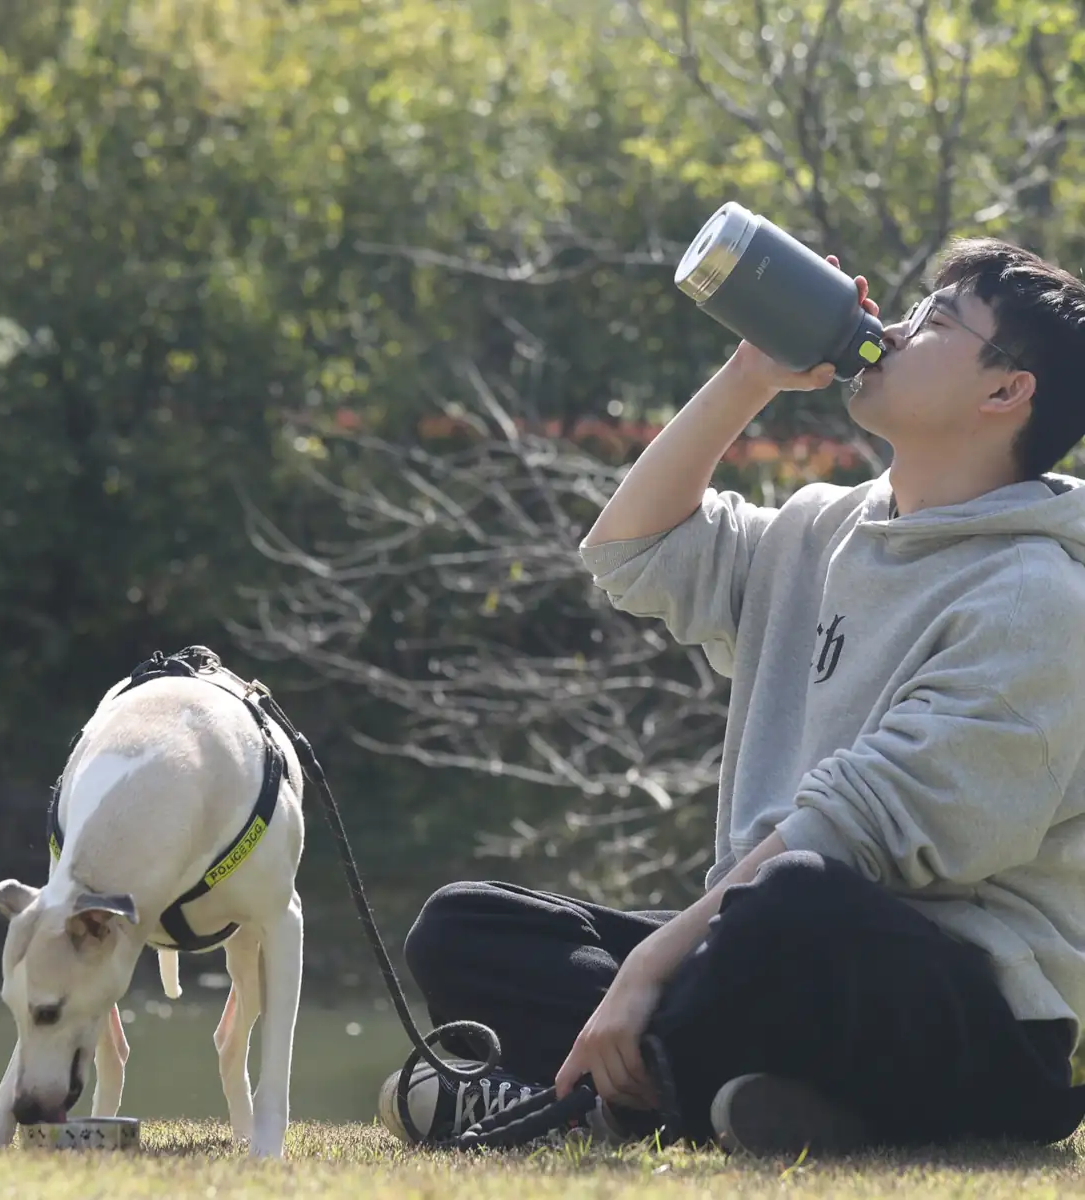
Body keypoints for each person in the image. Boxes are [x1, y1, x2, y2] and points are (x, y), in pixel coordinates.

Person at [376, 238, 1085, 1158]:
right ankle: (754, 1099)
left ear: (1006, 391)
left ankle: (587, 1104)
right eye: (913, 309)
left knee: (792, 902)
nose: (900, 329)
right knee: (464, 926)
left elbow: (859, 829)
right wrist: (746, 377)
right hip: (760, 953)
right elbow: (632, 551)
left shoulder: (1037, 596)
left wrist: (647, 967)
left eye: (938, 322)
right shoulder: (821, 526)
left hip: (963, 1013)